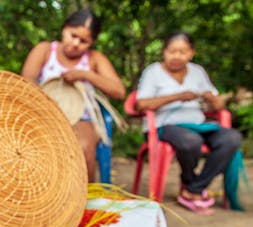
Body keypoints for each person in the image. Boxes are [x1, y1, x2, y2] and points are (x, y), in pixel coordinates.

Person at [136, 31, 243, 215]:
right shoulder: (153, 72)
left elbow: (218, 104)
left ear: (191, 53)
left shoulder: (197, 72)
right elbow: (141, 104)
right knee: (190, 141)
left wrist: (212, 98)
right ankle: (193, 188)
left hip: (198, 125)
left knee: (232, 138)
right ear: (164, 51)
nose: (176, 56)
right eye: (172, 51)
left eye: (182, 52)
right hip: (164, 126)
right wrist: (178, 96)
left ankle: (193, 189)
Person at [21, 9, 126, 182]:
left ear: (91, 42)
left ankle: (82, 199)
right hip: (42, 116)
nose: (76, 43)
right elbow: (26, 83)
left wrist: (86, 75)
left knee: (83, 147)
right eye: (73, 35)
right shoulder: (45, 50)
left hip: (81, 119)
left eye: (84, 41)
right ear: (64, 28)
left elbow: (119, 91)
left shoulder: (94, 58)